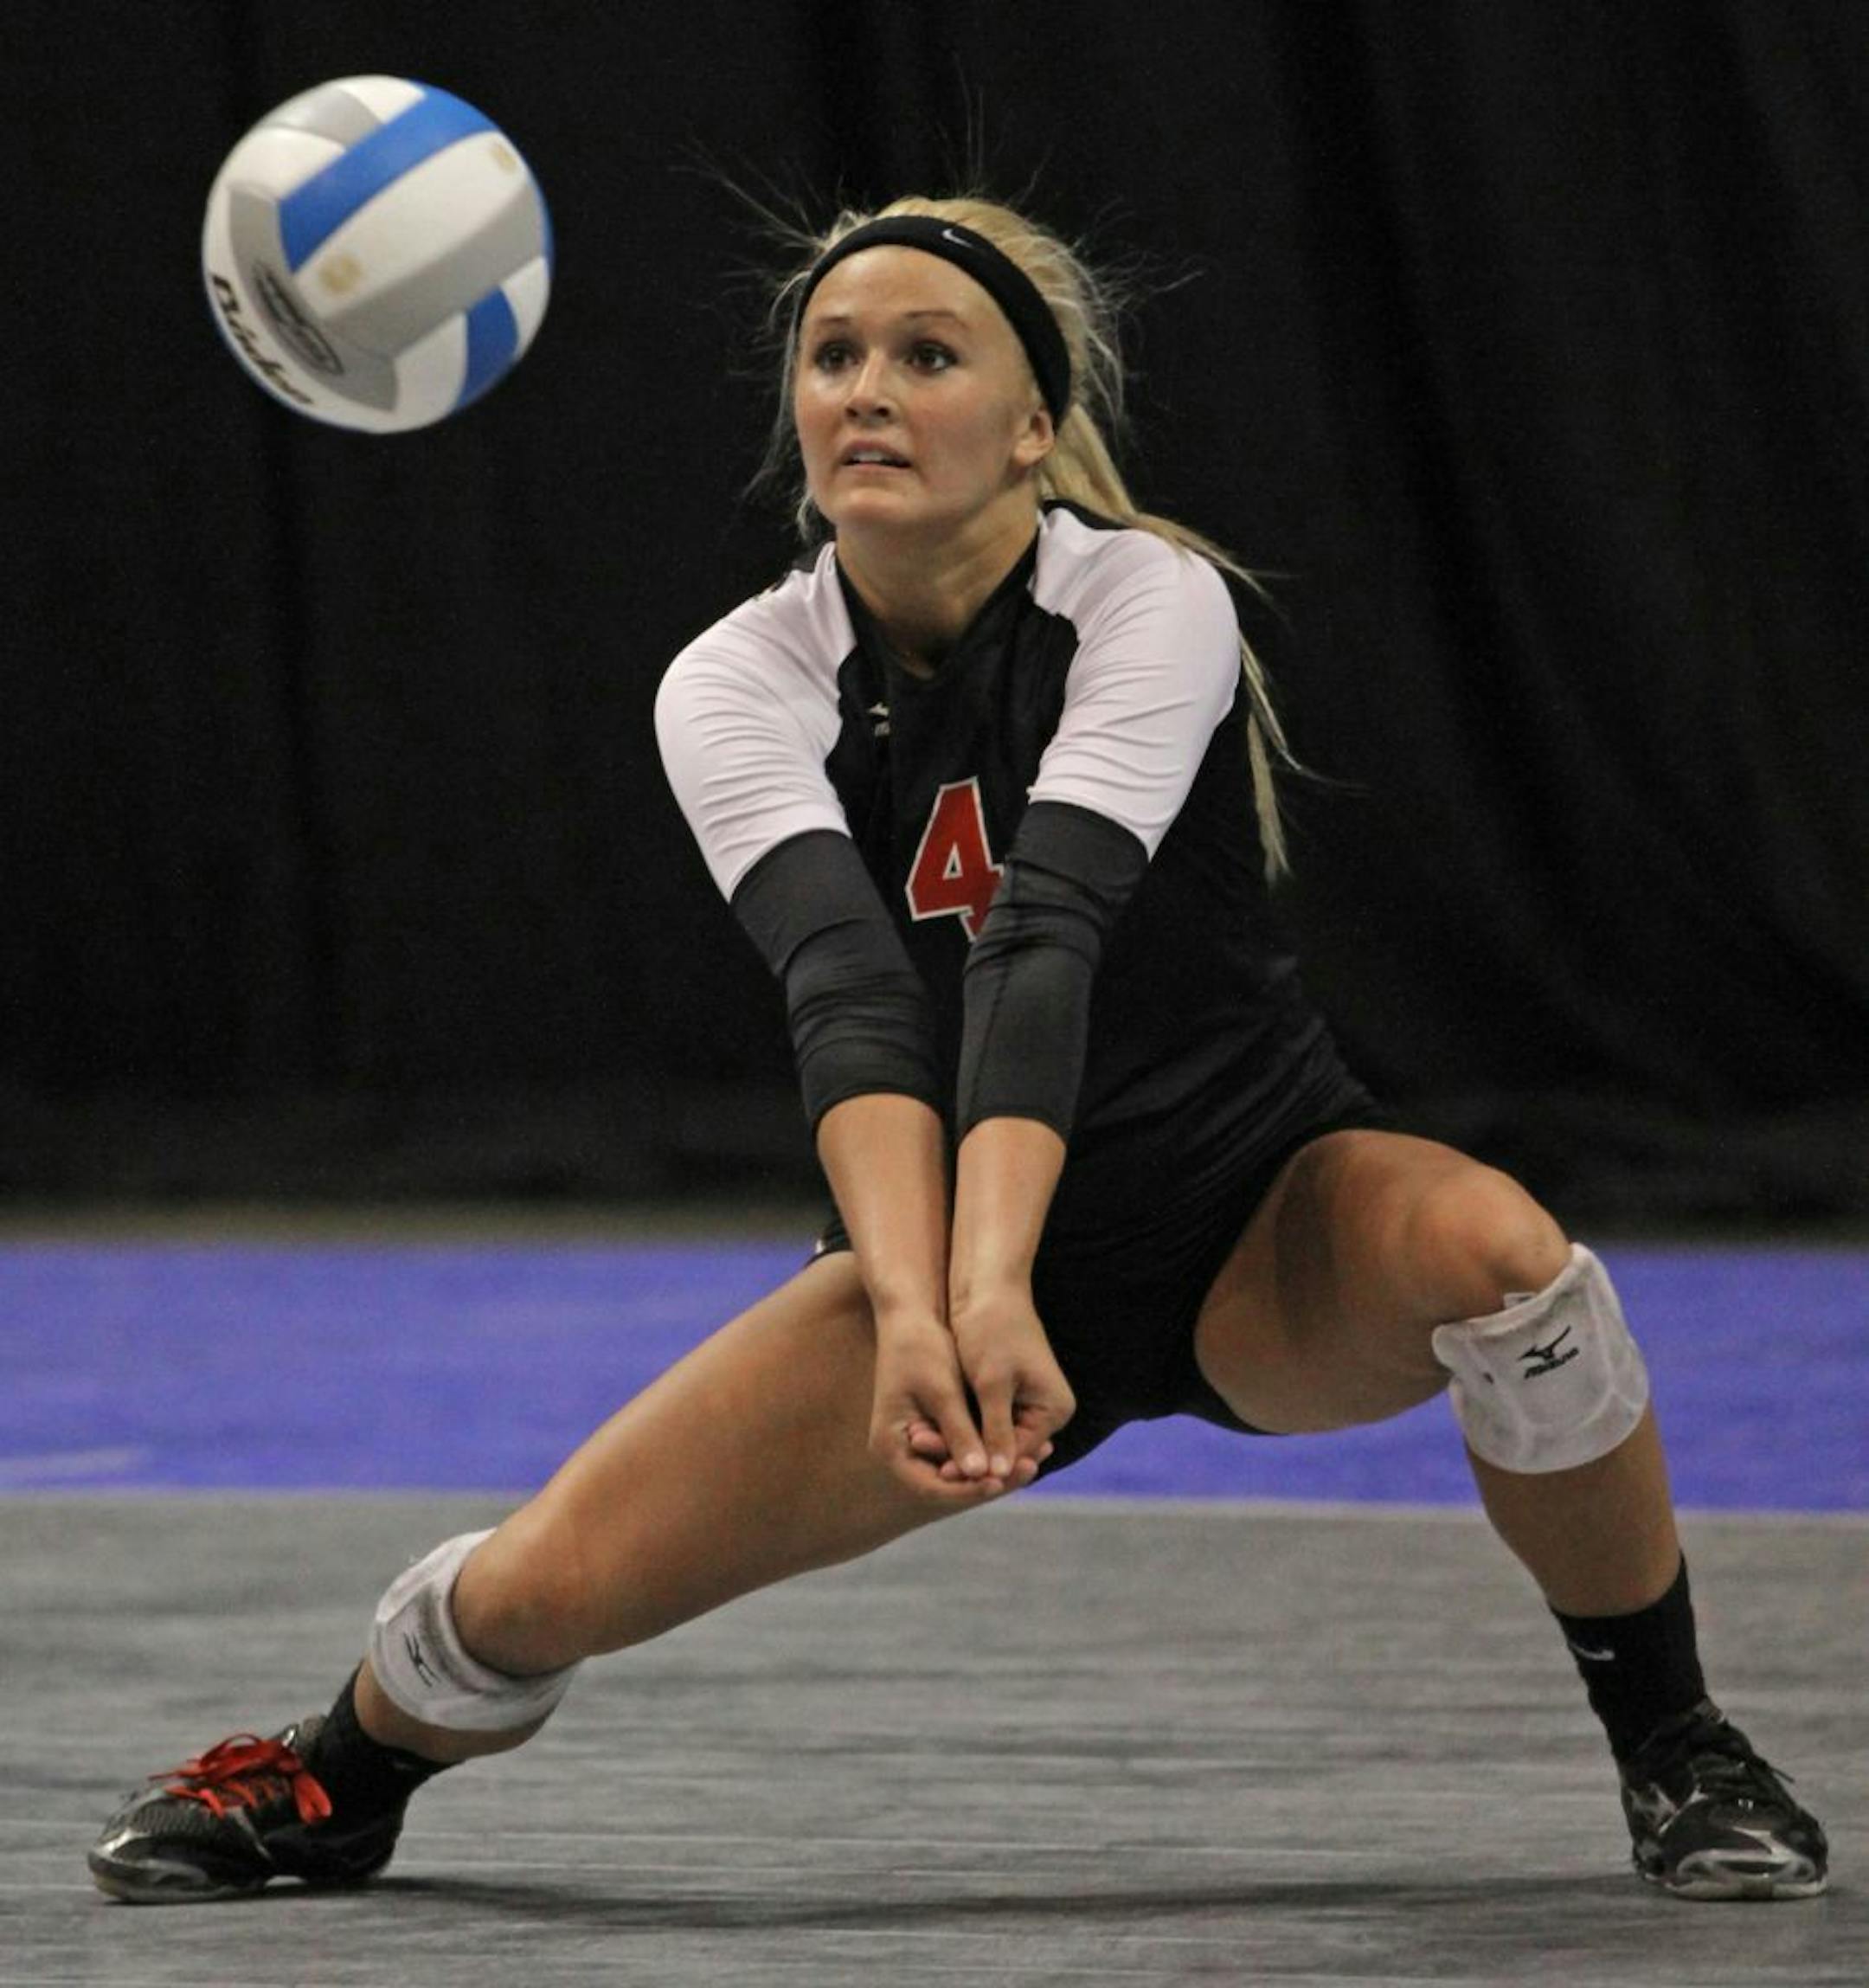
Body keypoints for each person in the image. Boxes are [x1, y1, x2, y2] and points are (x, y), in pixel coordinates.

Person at [89, 194, 1826, 1907]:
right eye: (834, 354)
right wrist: (926, 1306)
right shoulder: (736, 678)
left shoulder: (1148, 600)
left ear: (1033, 429)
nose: (867, 389)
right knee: (526, 1595)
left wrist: (989, 1293)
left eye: (928, 355)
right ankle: (341, 1767)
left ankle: (1678, 1744)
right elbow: (850, 1001)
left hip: (1253, 1215)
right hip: (936, 1242)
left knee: (1511, 1271)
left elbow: (1038, 946)